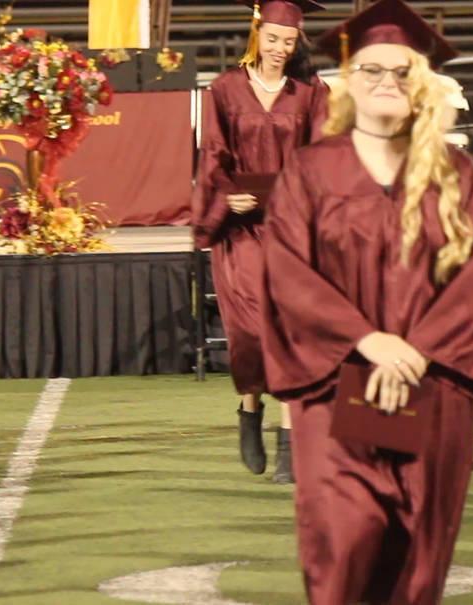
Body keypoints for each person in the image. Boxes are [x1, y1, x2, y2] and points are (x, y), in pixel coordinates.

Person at [260, 0, 473, 602]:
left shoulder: (456, 174)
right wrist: (371, 343)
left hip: (433, 385)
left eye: (402, 71)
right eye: (372, 69)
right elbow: (288, 274)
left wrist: (415, 354)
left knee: (420, 557)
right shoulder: (310, 172)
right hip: (338, 383)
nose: (387, 81)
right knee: (342, 545)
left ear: (421, 81)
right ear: (350, 78)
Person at [190, 0, 329, 483]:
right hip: (241, 231)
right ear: (256, 35)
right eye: (272, 39)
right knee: (251, 333)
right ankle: (250, 411)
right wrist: (226, 198)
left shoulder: (311, 91)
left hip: (292, 230)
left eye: (288, 42)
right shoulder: (225, 90)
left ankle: (290, 445)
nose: (279, 49)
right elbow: (213, 155)